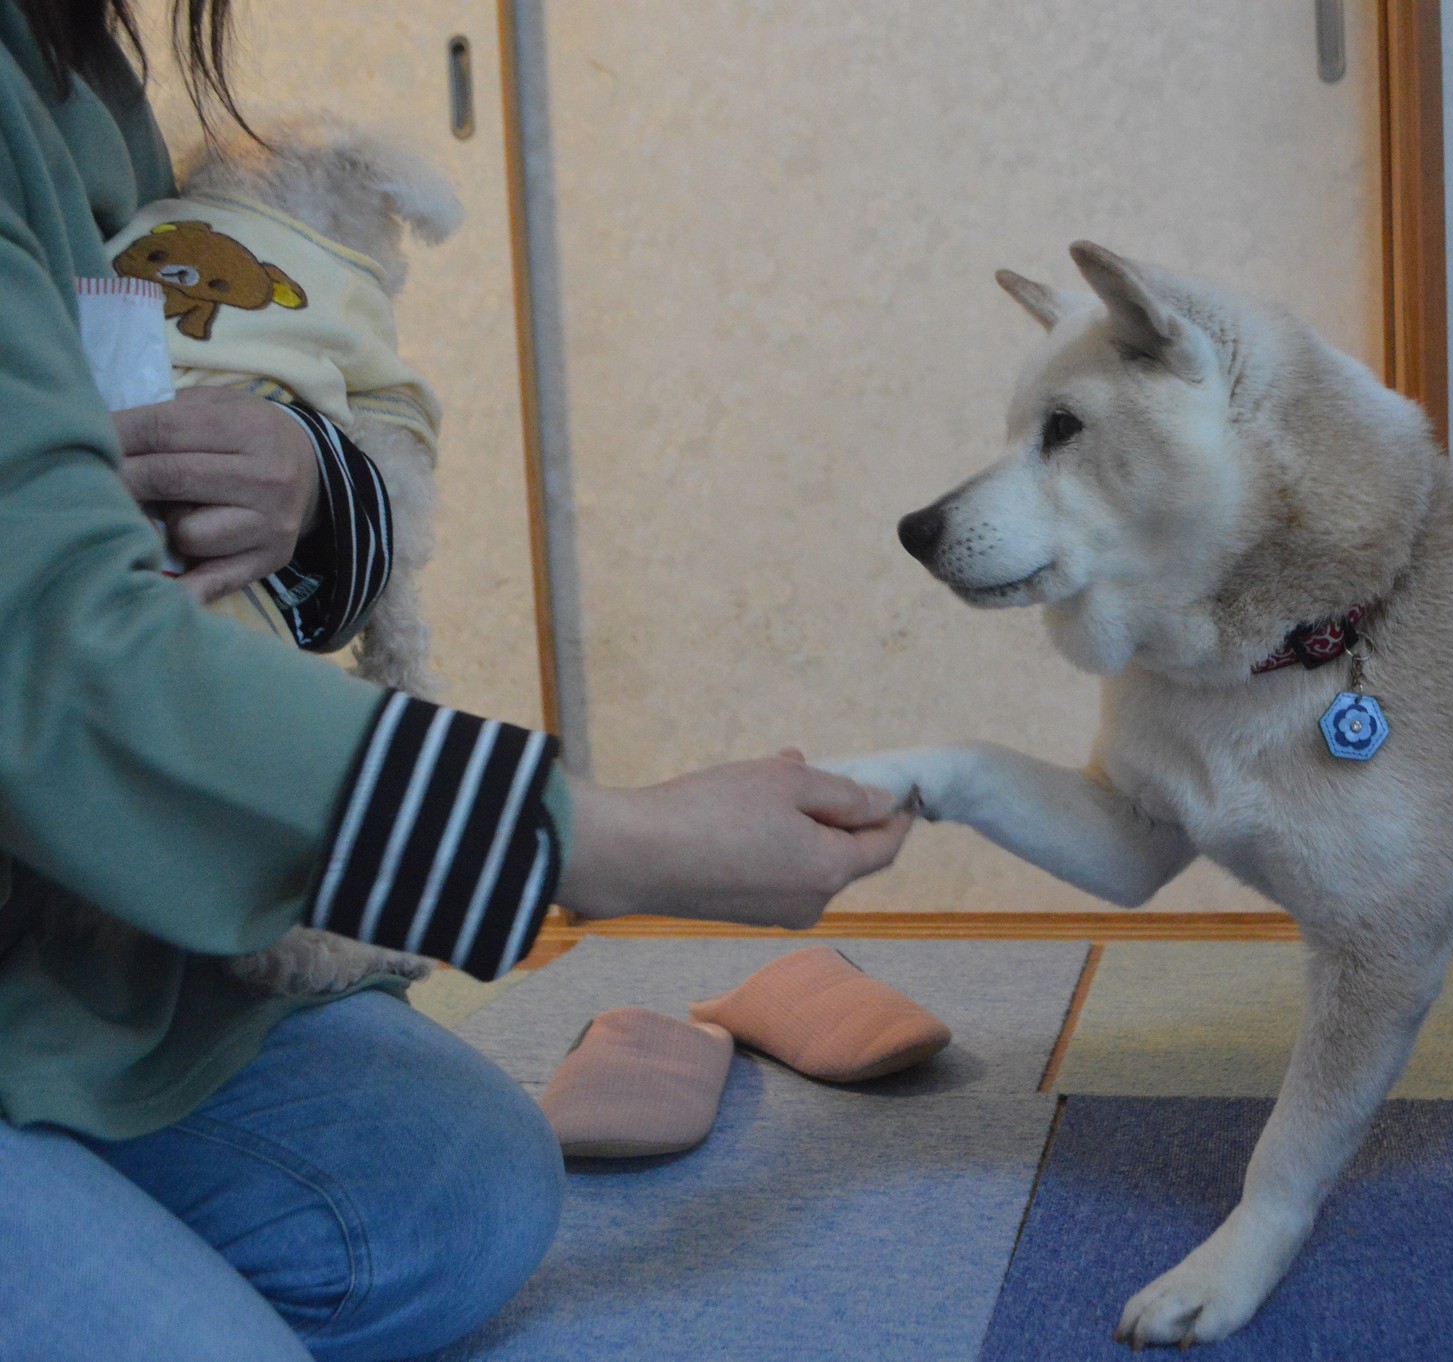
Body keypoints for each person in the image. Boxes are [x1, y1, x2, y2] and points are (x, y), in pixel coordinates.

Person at [0, 3, 914, 1358]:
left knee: (461, 1195)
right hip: (53, 834)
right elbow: (58, 656)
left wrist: (305, 475)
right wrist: (610, 841)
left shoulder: (72, 62)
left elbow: (154, 466)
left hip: (50, 944)